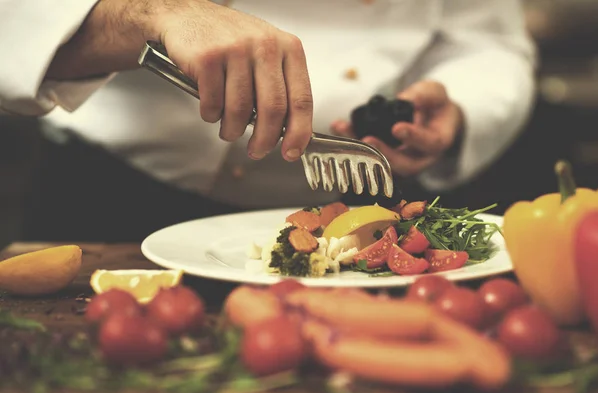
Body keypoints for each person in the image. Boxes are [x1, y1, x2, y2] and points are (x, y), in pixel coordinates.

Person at [0, 0, 536, 242]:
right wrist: (148, 12)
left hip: (344, 225)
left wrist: (463, 105)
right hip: (105, 196)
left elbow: (487, 40)